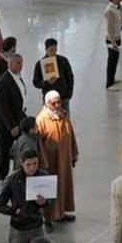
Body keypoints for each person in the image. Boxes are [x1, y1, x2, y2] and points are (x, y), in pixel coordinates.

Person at [0, 150, 49, 243]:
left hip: (36, 227)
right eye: (28, 165)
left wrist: (44, 202)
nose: (32, 168)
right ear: (22, 163)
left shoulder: (42, 177)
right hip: (18, 229)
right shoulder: (12, 180)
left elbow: (50, 199)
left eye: (35, 164)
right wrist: (14, 211)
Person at [34, 90, 79, 223]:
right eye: (54, 103)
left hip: (64, 160)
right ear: (47, 104)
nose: (57, 105)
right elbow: (39, 143)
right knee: (51, 189)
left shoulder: (64, 117)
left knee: (63, 186)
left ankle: (61, 213)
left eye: (59, 102)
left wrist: (74, 153)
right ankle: (49, 216)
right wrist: (42, 162)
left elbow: (71, 136)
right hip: (50, 161)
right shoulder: (41, 120)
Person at [0, 54, 28, 180]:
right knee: (4, 151)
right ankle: (2, 175)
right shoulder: (3, 82)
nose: (20, 65)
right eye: (17, 63)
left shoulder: (18, 77)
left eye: (21, 63)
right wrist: (11, 126)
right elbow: (1, 107)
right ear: (10, 64)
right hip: (7, 125)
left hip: (18, 118)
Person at [31, 38, 74, 105]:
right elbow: (36, 82)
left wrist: (68, 95)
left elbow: (70, 78)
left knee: (64, 112)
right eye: (51, 50)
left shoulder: (63, 61)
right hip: (48, 98)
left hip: (63, 97)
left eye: (55, 50)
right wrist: (46, 82)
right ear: (46, 49)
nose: (53, 52)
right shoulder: (40, 64)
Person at [104, 0, 122, 88]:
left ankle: (112, 79)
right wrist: (113, 42)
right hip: (112, 39)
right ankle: (109, 84)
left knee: (115, 60)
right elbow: (109, 28)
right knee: (111, 61)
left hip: (117, 37)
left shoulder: (115, 8)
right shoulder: (109, 10)